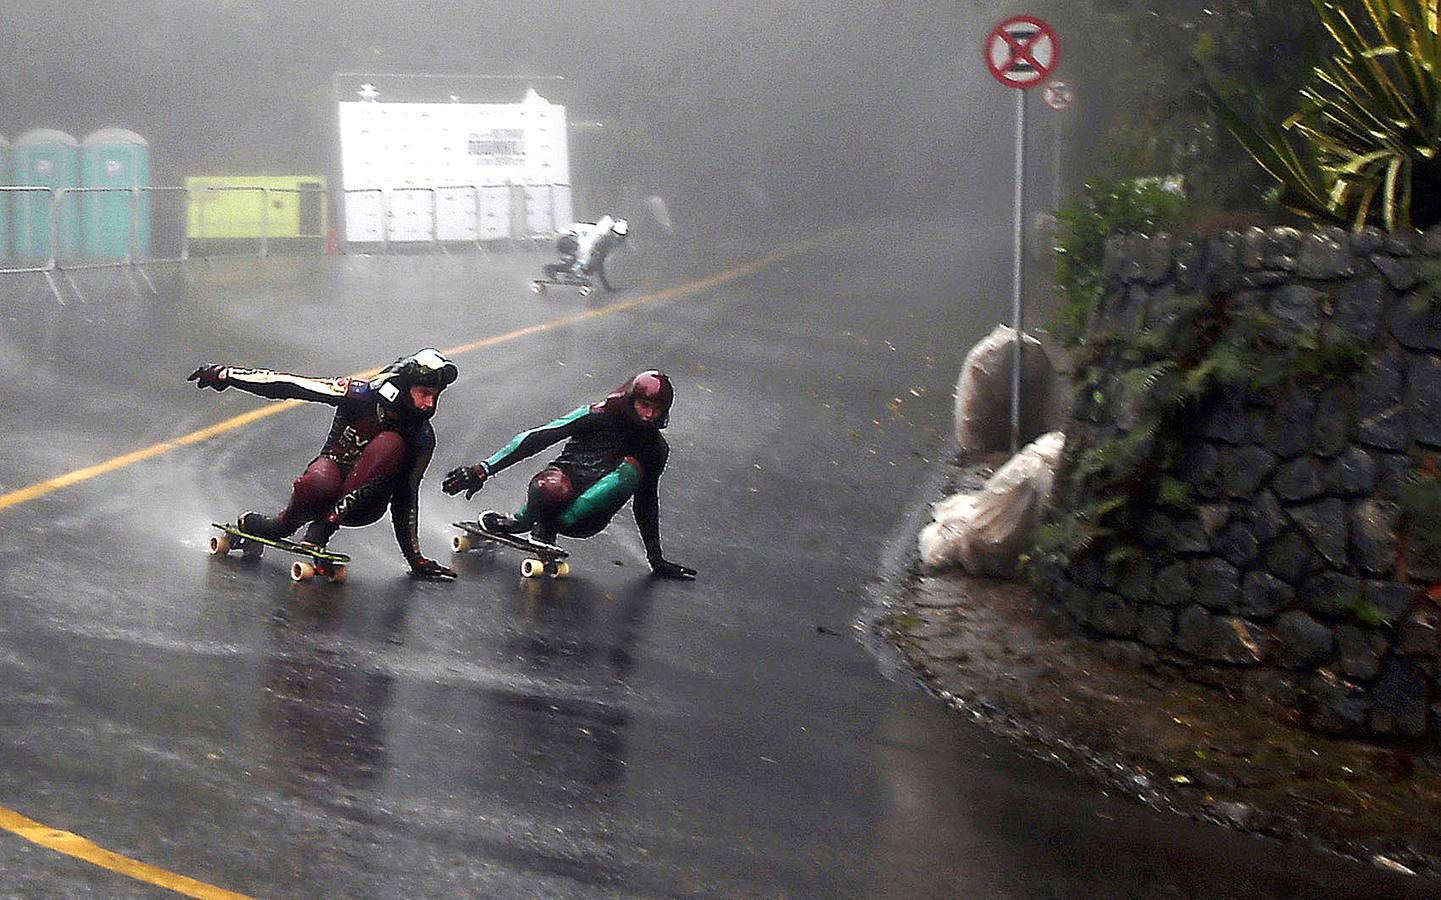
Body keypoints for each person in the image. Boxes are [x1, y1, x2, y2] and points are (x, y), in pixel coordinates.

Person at [187, 349, 460, 580]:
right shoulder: (360, 393)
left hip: (366, 506)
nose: (430, 403)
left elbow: (406, 498)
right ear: (402, 387)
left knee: (390, 443)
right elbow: (291, 384)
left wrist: (416, 560)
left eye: (436, 395)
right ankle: (278, 525)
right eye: (424, 393)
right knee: (321, 478)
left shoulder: (421, 438)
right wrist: (228, 375)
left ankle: (321, 530)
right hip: (323, 485)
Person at [441, 370, 696, 580]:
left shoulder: (655, 448)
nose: (649, 415)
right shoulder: (598, 414)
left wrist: (655, 558)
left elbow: (646, 500)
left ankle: (542, 526)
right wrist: (482, 470)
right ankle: (521, 521)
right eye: (644, 404)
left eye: (657, 409)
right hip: (559, 486)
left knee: (631, 469)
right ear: (630, 400)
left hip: (586, 516)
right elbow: (539, 436)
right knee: (552, 487)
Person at [542, 214, 629, 292]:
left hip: (569, 239)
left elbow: (598, 263)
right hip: (567, 239)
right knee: (580, 259)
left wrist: (608, 287)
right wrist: (580, 267)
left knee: (582, 261)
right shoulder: (600, 235)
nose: (618, 239)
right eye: (618, 236)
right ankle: (550, 269)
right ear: (613, 232)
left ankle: (560, 269)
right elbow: (586, 248)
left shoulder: (604, 236)